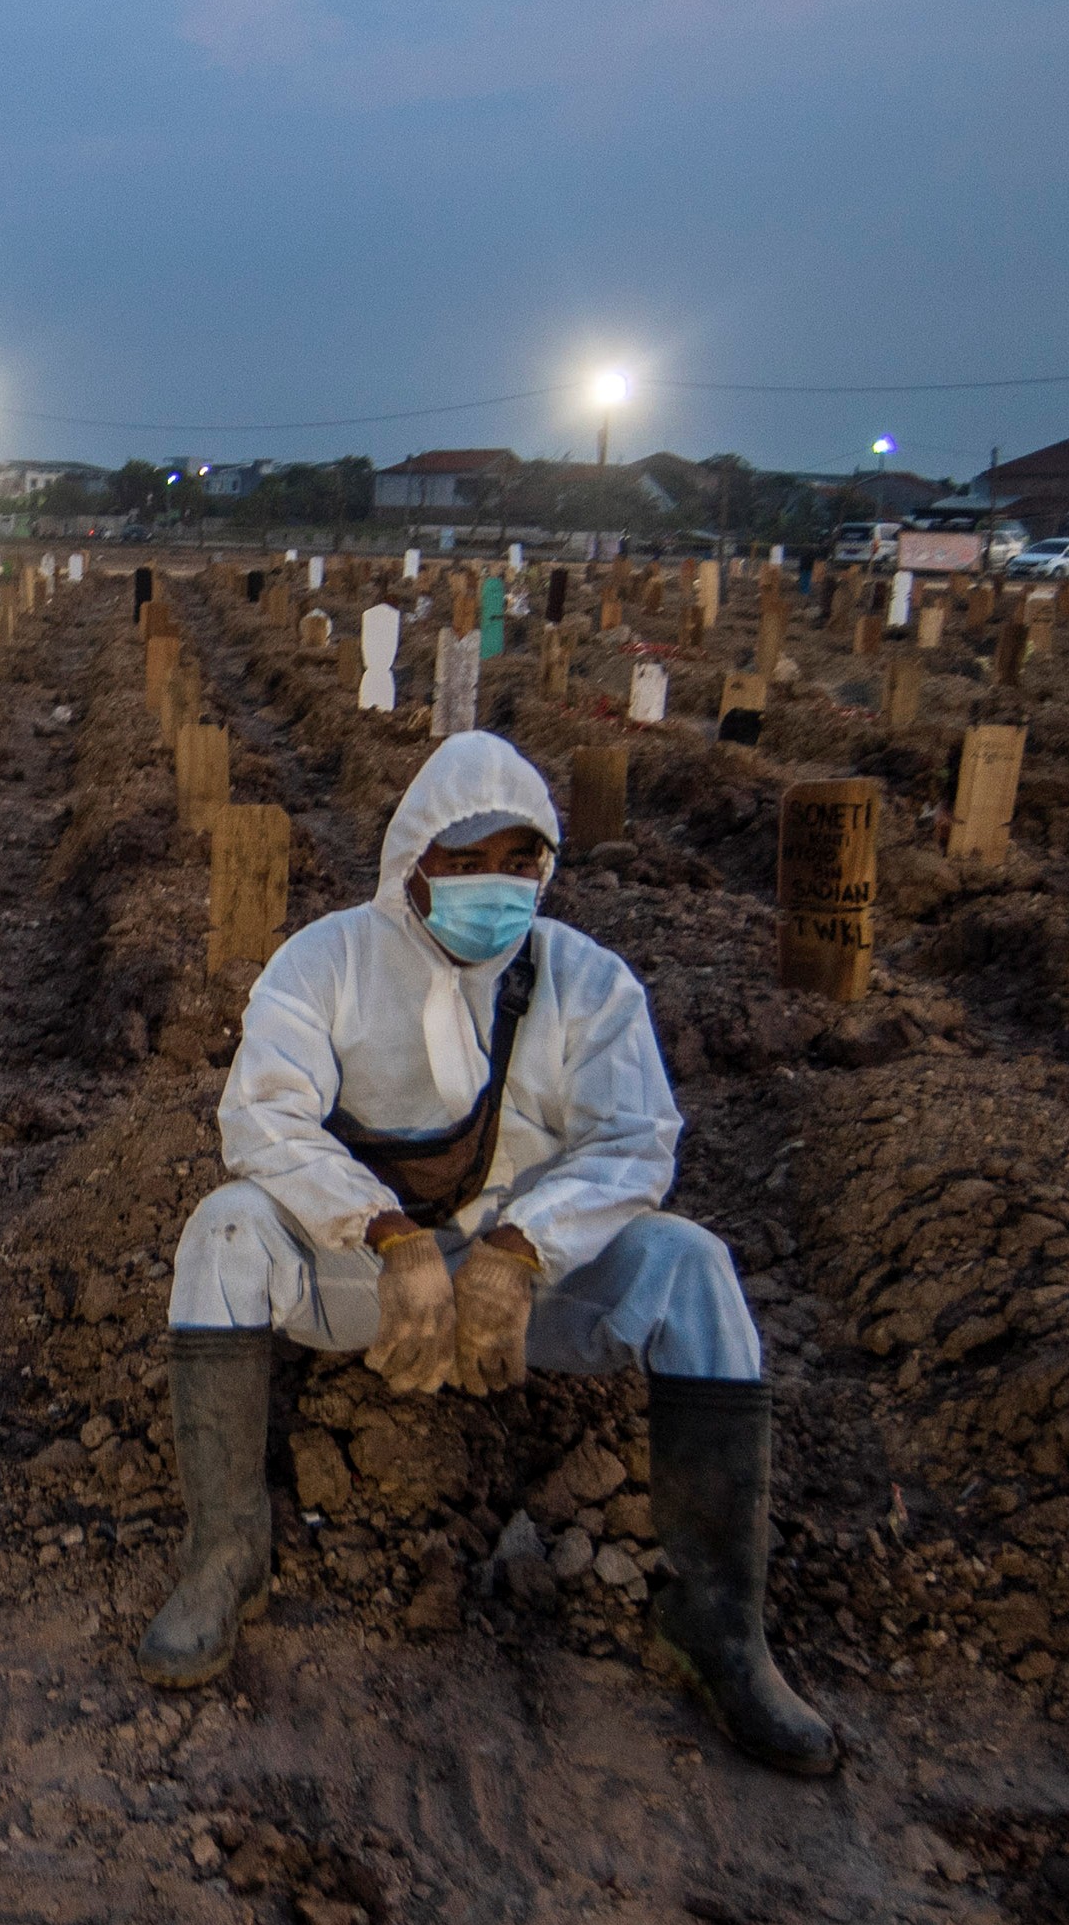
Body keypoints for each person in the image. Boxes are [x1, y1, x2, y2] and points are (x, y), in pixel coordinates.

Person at [138, 733, 837, 1775]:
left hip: (527, 1297)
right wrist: (382, 1231)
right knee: (221, 1228)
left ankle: (718, 1622)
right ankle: (224, 1556)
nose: (492, 887)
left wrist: (520, 1248)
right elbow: (261, 1120)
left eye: (518, 862)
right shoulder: (326, 960)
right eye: (464, 860)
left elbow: (636, 1140)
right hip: (366, 1280)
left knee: (691, 1266)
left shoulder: (584, 981)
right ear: (413, 859)